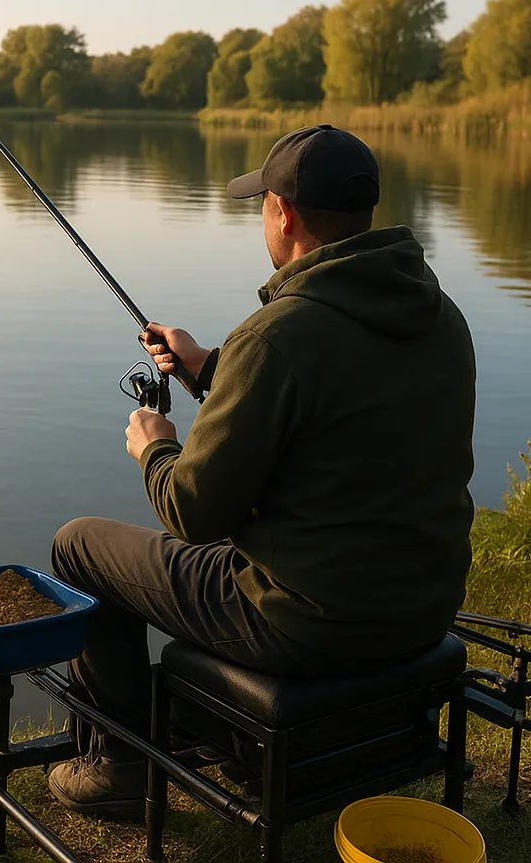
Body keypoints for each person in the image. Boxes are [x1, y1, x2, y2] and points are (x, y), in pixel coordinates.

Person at [47, 124, 476, 817]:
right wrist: (211, 367)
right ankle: (186, 726)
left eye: (264, 202)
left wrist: (154, 445)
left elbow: (192, 514)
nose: (263, 216)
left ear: (285, 215)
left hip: (303, 621)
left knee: (79, 544)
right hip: (422, 604)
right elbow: (345, 408)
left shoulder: (279, 335)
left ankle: (123, 764)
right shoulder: (438, 316)